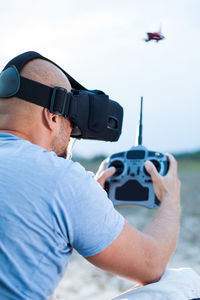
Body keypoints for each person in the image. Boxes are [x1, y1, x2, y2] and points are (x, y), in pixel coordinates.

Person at [0, 53, 181, 300]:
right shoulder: (62, 179)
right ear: (52, 117)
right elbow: (151, 265)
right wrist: (171, 200)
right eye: (70, 125)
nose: (71, 134)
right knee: (183, 283)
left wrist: (80, 208)